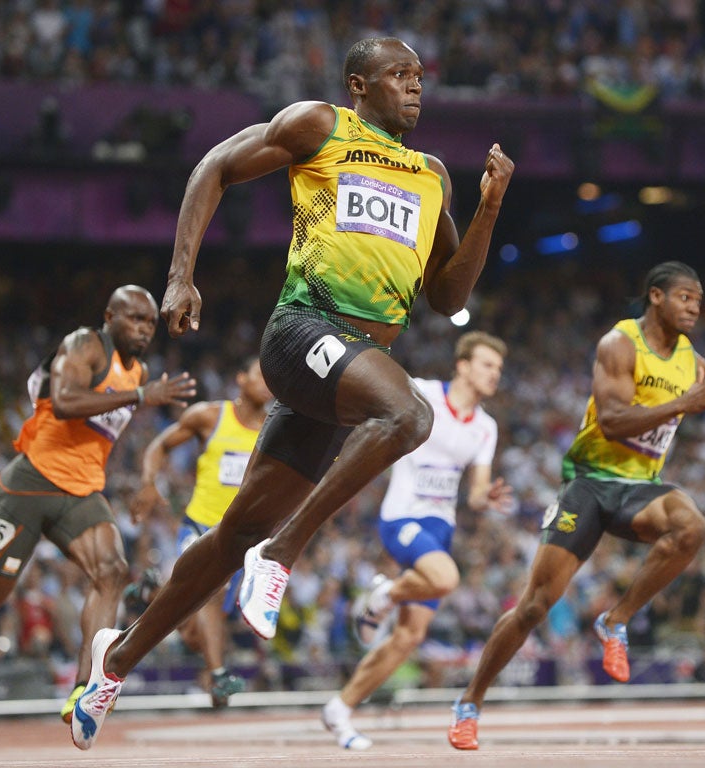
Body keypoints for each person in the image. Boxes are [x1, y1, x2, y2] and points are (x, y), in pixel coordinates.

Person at [70, 36, 513, 750]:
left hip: (349, 366)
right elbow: (214, 165)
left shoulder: (433, 175)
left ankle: (114, 662)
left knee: (231, 533)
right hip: (303, 330)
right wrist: (181, 274)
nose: (415, 87)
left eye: (420, 77)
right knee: (409, 413)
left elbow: (447, 294)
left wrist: (490, 208)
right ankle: (281, 554)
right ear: (357, 84)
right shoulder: (321, 125)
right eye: (399, 75)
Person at [447, 261, 705, 750]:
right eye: (685, 296)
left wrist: (682, 406)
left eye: (699, 300)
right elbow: (614, 422)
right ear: (656, 297)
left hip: (639, 487)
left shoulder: (696, 364)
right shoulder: (619, 344)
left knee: (692, 526)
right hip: (588, 484)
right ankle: (470, 702)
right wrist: (681, 405)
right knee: (535, 606)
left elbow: (659, 429)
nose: (694, 307)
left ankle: (616, 620)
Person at [0, 285, 196, 727]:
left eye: (149, 322)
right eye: (133, 319)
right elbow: (67, 402)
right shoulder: (84, 345)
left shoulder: (139, 372)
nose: (144, 329)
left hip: (82, 492)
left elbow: (103, 431)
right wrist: (139, 397)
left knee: (111, 571)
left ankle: (84, 690)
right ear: (109, 317)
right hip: (30, 485)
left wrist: (147, 482)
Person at [322, 331, 512, 750]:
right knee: (446, 578)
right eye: (486, 364)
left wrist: (486, 497)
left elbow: (475, 491)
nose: (494, 373)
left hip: (440, 528)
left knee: (409, 637)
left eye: (498, 368)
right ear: (462, 366)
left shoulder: (485, 427)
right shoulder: (423, 393)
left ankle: (340, 708)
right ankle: (384, 593)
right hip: (402, 516)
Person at [129, 356, 272, 708]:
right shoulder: (210, 416)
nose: (268, 383)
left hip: (241, 541)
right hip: (201, 526)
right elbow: (159, 445)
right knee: (208, 596)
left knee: (195, 632)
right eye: (260, 374)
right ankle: (218, 674)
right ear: (240, 378)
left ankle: (152, 594)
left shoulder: (273, 430)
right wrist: (149, 483)